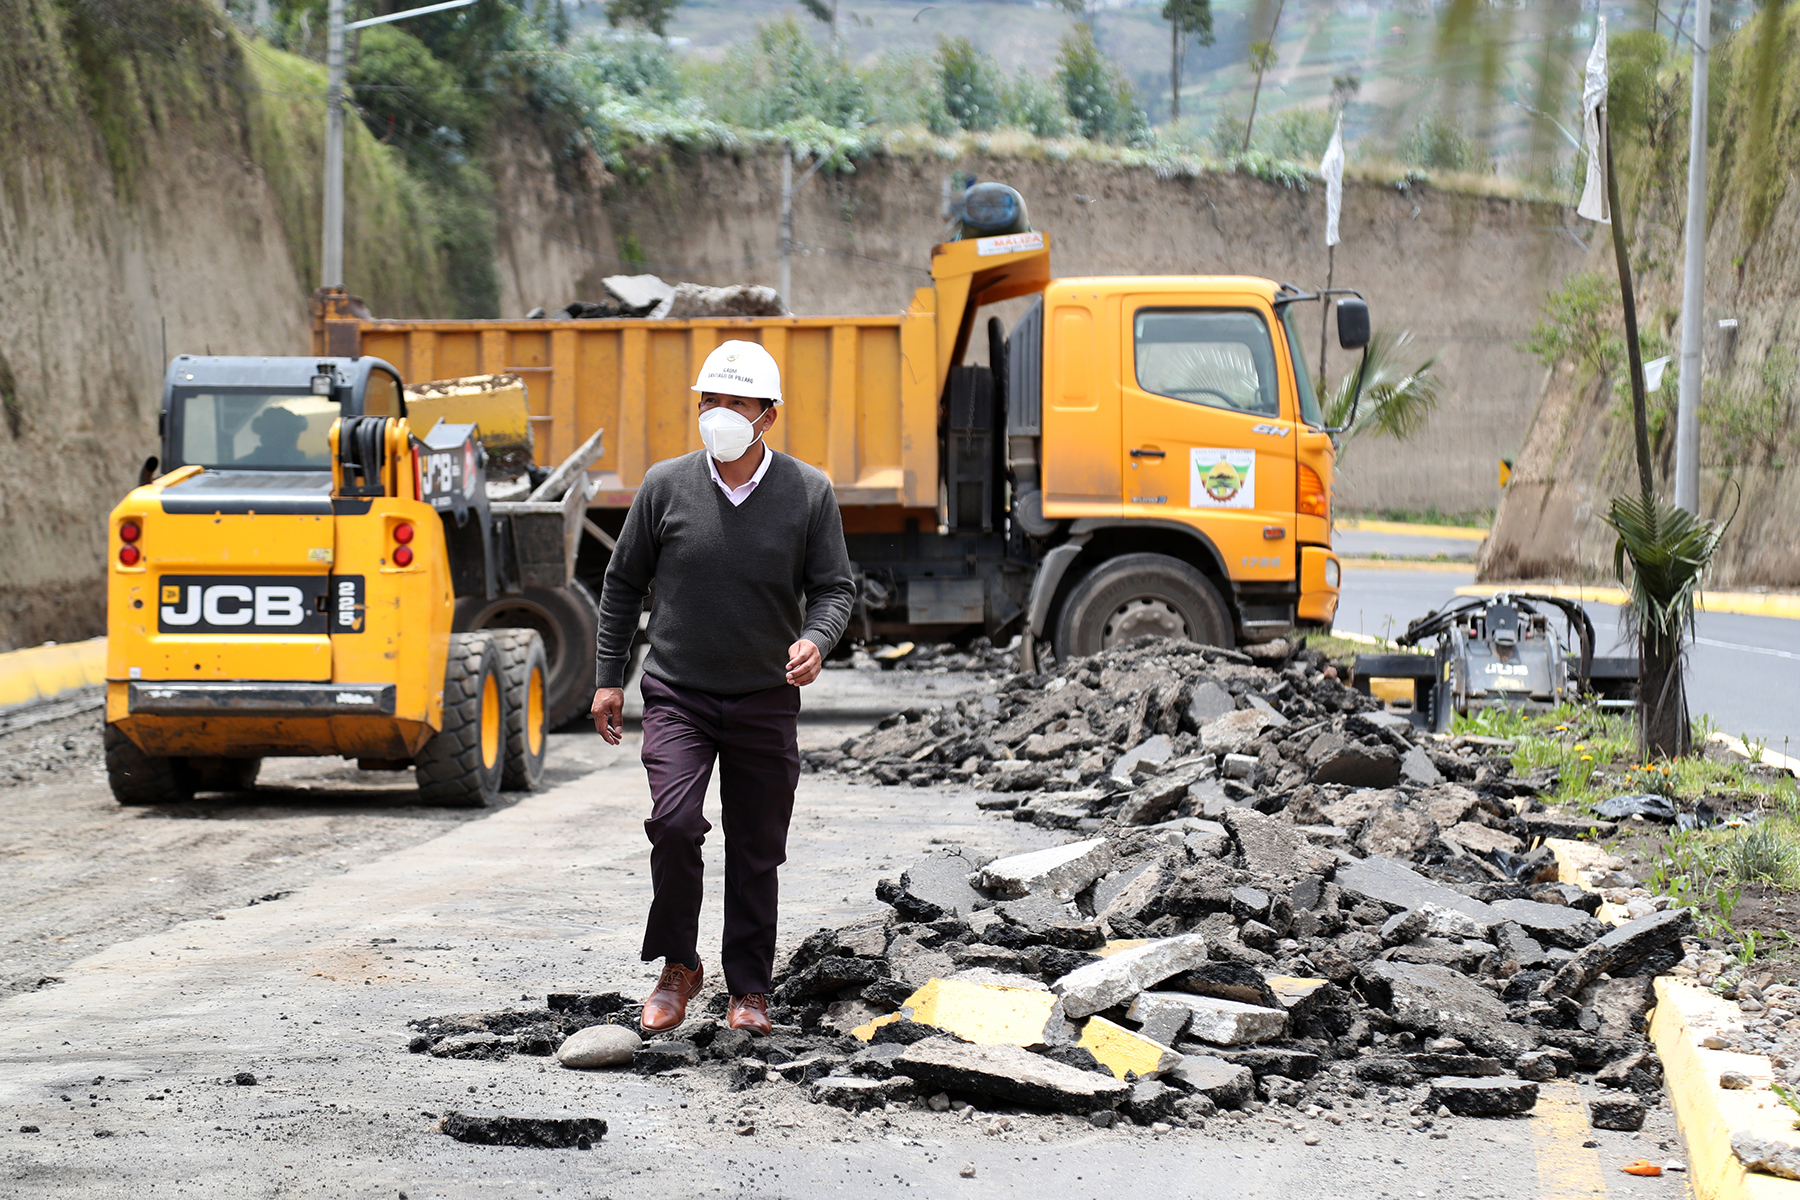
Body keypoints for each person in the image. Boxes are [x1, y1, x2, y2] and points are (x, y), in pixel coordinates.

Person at [590, 339, 855, 1037]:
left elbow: (835, 588)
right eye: (710, 401)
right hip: (679, 693)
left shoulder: (808, 492)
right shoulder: (665, 486)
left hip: (764, 698)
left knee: (756, 845)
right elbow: (621, 585)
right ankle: (679, 966)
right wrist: (607, 678)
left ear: (768, 416)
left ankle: (750, 990)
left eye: (737, 403)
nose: (720, 415)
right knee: (674, 826)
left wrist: (816, 640)